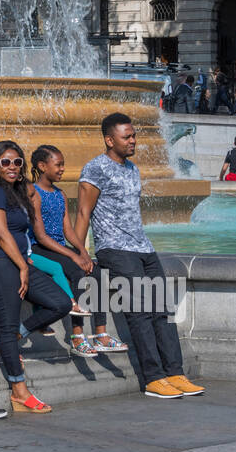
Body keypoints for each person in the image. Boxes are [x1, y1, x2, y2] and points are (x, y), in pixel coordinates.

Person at [74, 113, 204, 398]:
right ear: (109, 140)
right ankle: (153, 379)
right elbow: (83, 213)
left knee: (163, 311)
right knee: (140, 313)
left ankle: (175, 372)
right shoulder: (95, 169)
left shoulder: (132, 168)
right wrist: (81, 252)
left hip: (143, 248)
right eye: (126, 136)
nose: (133, 141)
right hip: (115, 249)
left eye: (133, 136)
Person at [0, 140, 73, 414]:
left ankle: (19, 333)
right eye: (5, 162)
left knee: (60, 303)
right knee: (6, 325)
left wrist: (24, 260)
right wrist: (23, 266)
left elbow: (20, 233)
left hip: (17, 262)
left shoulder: (17, 192)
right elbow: (1, 233)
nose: (13, 167)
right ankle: (19, 391)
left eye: (17, 162)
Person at [27, 145, 127, 358]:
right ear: (42, 166)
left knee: (97, 272)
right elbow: (41, 235)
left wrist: (82, 252)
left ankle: (101, 333)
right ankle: (77, 335)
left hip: (59, 247)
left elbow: (69, 230)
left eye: (63, 164)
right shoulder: (33, 193)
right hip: (39, 247)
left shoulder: (60, 194)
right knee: (76, 272)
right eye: (58, 165)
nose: (63, 169)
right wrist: (73, 256)